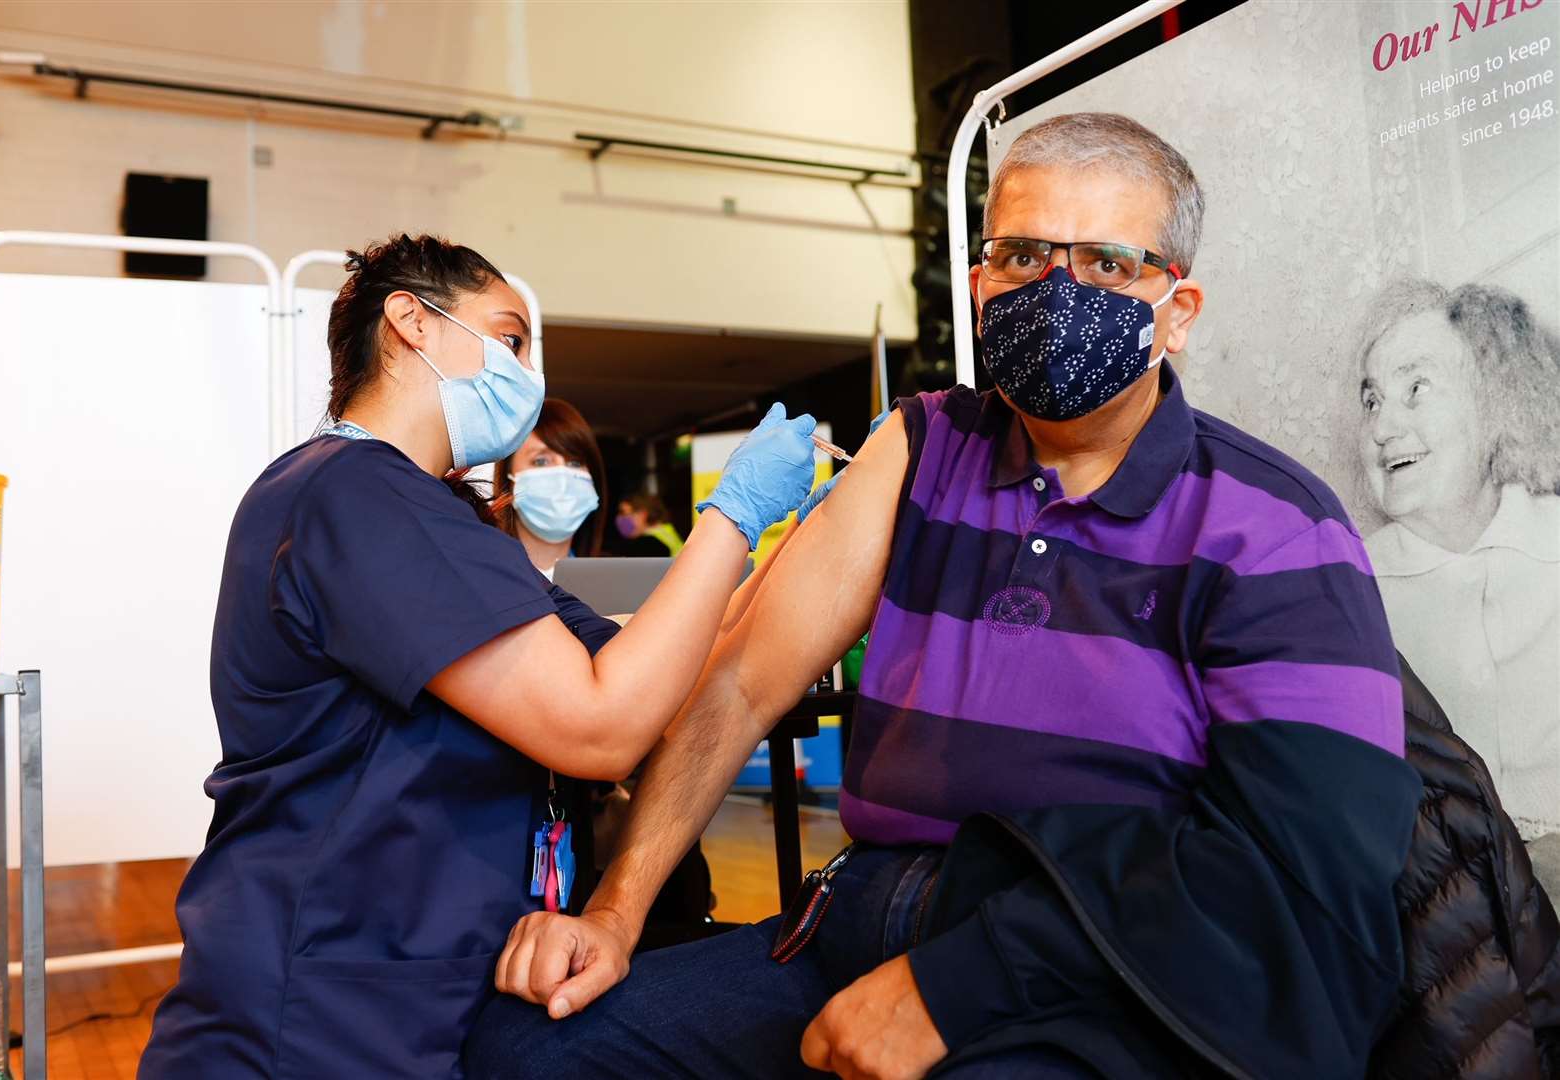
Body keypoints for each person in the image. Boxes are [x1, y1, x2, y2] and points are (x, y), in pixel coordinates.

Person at [473, 113, 1421, 1079]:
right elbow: (739, 687)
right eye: (1021, 256)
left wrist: (955, 986)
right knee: (529, 1048)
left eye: (1106, 264)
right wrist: (615, 914)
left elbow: (1309, 867)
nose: (1056, 292)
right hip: (857, 919)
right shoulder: (922, 447)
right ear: (978, 288)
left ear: (1177, 311)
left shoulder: (1273, 526)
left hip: (1098, 961)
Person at [136, 233, 819, 1079]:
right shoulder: (355, 495)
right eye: (509, 339)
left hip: (416, 996)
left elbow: (662, 683)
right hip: (318, 1012)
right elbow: (600, 728)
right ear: (410, 322)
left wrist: (805, 546)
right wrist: (732, 516)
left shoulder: (446, 522)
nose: (526, 375)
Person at [1354, 278, 1560, 885]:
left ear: (1495, 403)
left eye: (1416, 389)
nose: (1383, 427)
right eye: (1372, 400)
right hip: (1447, 900)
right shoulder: (1349, 587)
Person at [491, 397, 607, 581]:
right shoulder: (480, 577)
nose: (562, 476)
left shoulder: (611, 581)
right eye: (541, 461)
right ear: (509, 478)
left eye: (575, 463)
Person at [614, 492, 683, 556]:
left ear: (642, 514)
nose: (621, 518)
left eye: (624, 513)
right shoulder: (667, 532)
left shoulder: (651, 543)